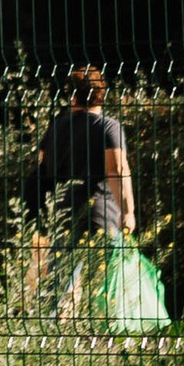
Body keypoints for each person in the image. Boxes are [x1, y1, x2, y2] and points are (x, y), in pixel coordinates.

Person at [24, 65, 135, 281]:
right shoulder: (107, 127)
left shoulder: (56, 128)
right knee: (104, 286)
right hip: (99, 217)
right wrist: (128, 211)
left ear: (71, 97)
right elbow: (116, 170)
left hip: (62, 216)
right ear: (101, 96)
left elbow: (42, 163)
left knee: (63, 285)